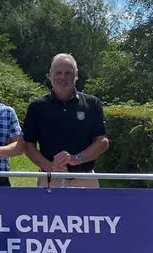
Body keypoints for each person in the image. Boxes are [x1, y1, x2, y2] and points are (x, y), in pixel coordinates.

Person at [22, 53, 110, 188]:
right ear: (50, 75)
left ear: (76, 75)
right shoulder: (37, 106)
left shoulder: (92, 103)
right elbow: (28, 145)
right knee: (47, 210)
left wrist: (77, 159)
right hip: (50, 179)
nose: (62, 77)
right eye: (58, 73)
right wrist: (50, 167)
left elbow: (102, 142)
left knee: (90, 211)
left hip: (85, 178)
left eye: (68, 73)